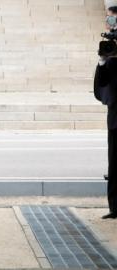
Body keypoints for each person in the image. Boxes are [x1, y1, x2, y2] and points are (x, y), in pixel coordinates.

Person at [94, 5, 117, 219]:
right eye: (109, 20)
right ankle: (115, 208)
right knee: (114, 163)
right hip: (116, 118)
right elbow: (100, 85)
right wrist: (103, 60)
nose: (111, 24)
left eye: (113, 20)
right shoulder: (110, 50)